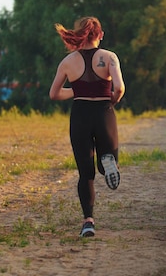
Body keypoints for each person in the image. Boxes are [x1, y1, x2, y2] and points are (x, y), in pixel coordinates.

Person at [49, 16, 126, 237]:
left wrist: (78, 90)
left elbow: (54, 94)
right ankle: (108, 164)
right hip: (104, 113)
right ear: (100, 35)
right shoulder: (109, 57)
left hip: (80, 115)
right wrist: (111, 99)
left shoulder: (68, 62)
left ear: (79, 36)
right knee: (107, 158)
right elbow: (120, 88)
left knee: (85, 173)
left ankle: (88, 222)